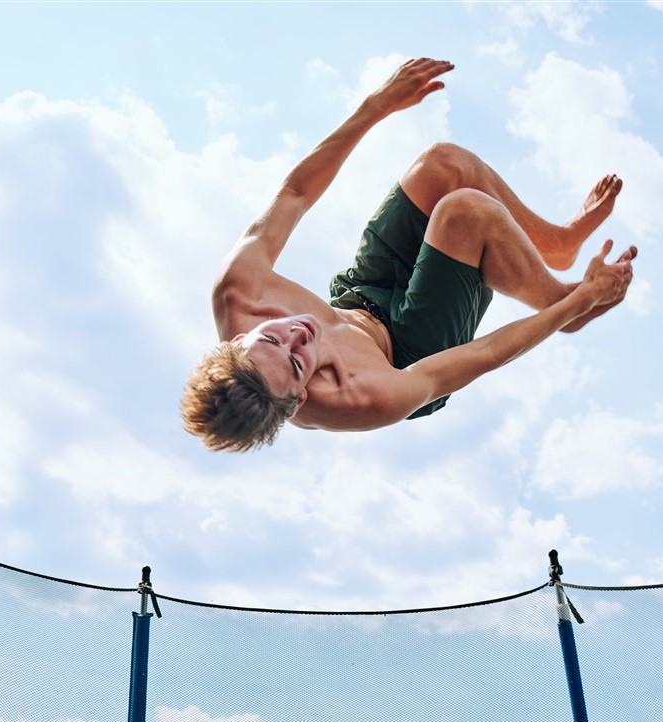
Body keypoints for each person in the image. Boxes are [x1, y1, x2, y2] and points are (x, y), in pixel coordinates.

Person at [182, 57, 636, 453]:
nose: (298, 335)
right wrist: (576, 305)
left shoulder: (240, 289)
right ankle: (562, 299)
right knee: (464, 213)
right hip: (412, 349)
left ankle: (555, 245)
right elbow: (489, 352)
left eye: (272, 339)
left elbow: (296, 194)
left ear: (239, 340)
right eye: (299, 362)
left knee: (444, 164)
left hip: (360, 294)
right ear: (300, 397)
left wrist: (377, 105)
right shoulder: (363, 398)